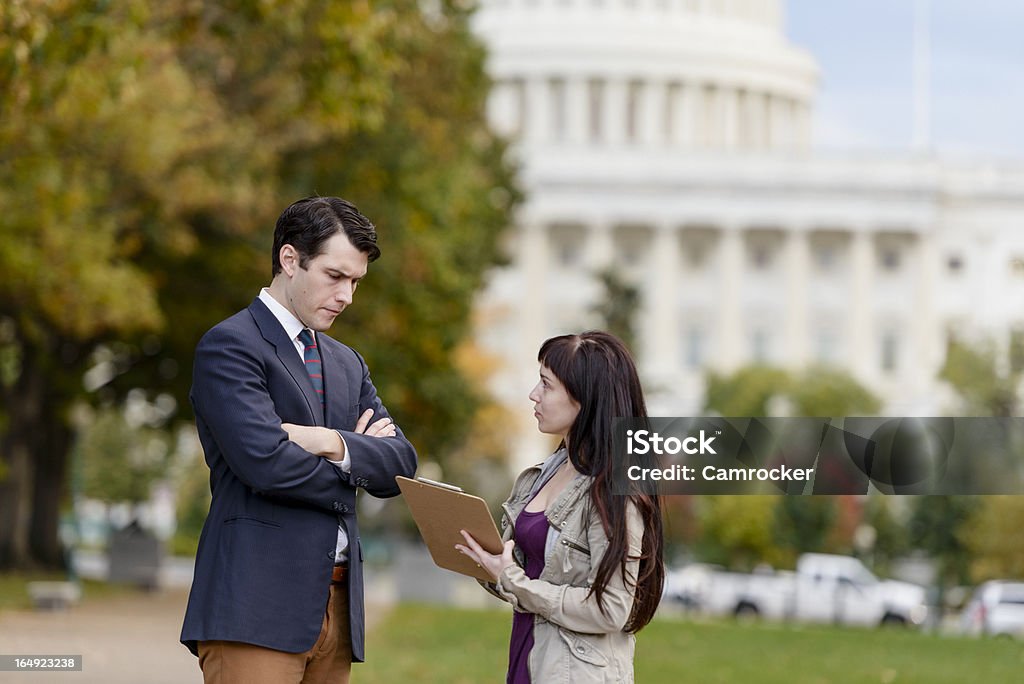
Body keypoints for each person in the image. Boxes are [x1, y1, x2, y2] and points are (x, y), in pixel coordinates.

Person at [180, 196, 417, 683]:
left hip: (337, 610)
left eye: (355, 282)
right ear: (291, 260)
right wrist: (356, 459)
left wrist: (330, 441)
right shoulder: (230, 345)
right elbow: (265, 463)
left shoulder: (348, 362)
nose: (347, 295)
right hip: (255, 607)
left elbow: (400, 465)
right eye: (335, 276)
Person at [457, 331, 665, 683]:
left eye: (546, 385)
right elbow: (522, 574)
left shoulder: (615, 487)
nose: (533, 395)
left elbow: (612, 608)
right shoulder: (542, 474)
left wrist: (513, 580)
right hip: (530, 657)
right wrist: (483, 559)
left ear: (585, 399)